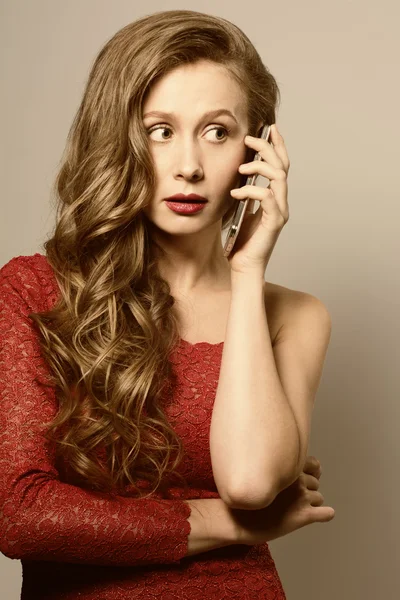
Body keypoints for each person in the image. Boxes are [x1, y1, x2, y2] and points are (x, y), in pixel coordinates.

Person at [0, 9, 335, 600]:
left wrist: (249, 270)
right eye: (159, 130)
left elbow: (253, 482)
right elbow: (23, 515)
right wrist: (224, 525)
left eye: (217, 131)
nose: (189, 166)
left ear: (257, 150)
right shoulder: (32, 291)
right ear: (118, 139)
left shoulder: (295, 316)